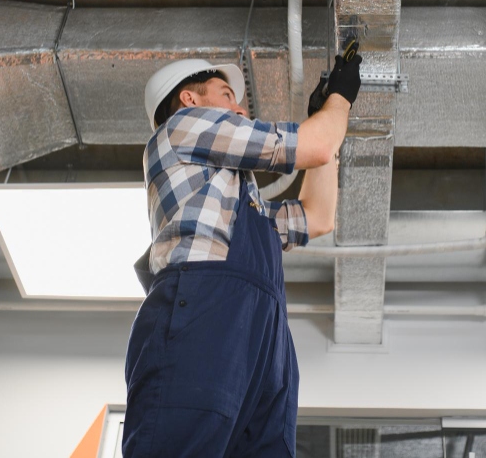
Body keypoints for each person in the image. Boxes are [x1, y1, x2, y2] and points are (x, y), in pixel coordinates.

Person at [123, 53, 361, 457]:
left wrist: (327, 122)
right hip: (205, 309)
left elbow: (317, 217)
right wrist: (338, 100)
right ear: (189, 99)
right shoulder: (181, 128)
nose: (240, 108)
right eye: (228, 95)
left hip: (260, 333)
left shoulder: (240, 200)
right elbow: (314, 145)